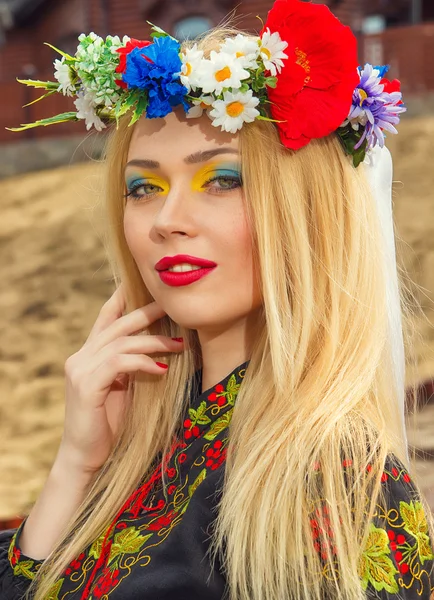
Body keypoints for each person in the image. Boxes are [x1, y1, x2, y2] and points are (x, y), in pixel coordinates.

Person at [1, 0, 433, 598]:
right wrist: (77, 464)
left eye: (222, 180)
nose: (168, 220)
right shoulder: (138, 443)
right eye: (143, 187)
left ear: (306, 213)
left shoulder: (337, 481)